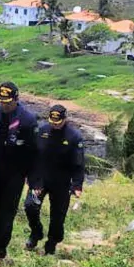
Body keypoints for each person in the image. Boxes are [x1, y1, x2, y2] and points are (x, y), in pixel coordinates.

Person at [0, 82, 37, 259]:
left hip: (14, 175)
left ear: (16, 99)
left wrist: (33, 179)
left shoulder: (27, 120)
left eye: (8, 102)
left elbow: (34, 151)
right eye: (2, 101)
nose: (5, 105)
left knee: (6, 214)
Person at [25, 104, 86, 256]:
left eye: (58, 122)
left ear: (65, 119)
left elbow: (79, 163)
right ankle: (36, 233)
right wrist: (34, 181)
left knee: (58, 217)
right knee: (30, 206)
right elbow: (32, 158)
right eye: (52, 121)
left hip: (62, 182)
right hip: (41, 179)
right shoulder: (41, 131)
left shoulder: (74, 137)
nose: (55, 125)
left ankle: (51, 243)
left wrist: (77, 184)